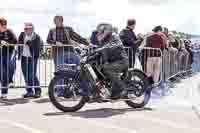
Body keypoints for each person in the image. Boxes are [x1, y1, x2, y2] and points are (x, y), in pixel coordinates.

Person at [95, 23, 129, 99]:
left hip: (121, 61)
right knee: (99, 70)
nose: (100, 33)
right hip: (113, 62)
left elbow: (115, 44)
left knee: (107, 68)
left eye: (102, 31)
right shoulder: (104, 40)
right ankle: (105, 90)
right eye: (99, 32)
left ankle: (121, 88)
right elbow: (101, 50)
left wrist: (102, 48)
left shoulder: (114, 36)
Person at [18, 23, 43, 98]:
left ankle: (38, 90)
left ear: (32, 29)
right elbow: (19, 42)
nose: (26, 30)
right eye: (25, 29)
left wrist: (30, 44)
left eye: (27, 29)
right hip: (24, 57)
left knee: (32, 74)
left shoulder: (36, 37)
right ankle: (29, 91)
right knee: (25, 74)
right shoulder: (22, 35)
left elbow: (38, 48)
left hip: (32, 58)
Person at [0, 18, 17, 99]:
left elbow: (15, 40)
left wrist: (8, 43)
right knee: (2, 73)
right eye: (2, 25)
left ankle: (10, 80)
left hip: (9, 52)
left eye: (4, 25)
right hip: (1, 53)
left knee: (9, 66)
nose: (3, 26)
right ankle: (4, 93)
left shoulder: (9, 31)